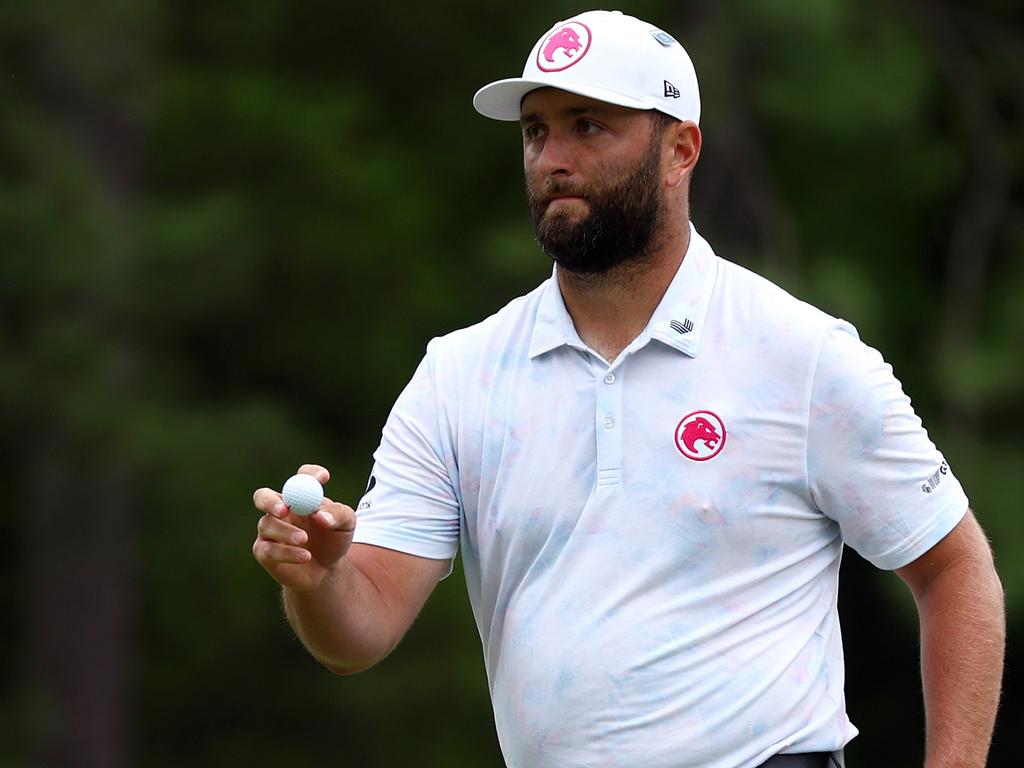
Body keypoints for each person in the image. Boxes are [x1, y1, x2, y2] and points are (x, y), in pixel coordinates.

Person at [252, 10, 1005, 768]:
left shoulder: (801, 356)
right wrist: (319, 581)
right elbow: (364, 625)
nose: (553, 159)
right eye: (537, 131)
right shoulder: (458, 375)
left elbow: (954, 568)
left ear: (680, 149)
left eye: (588, 126)